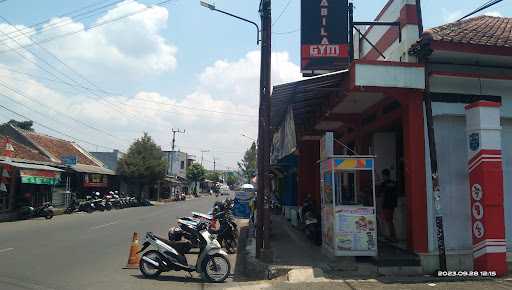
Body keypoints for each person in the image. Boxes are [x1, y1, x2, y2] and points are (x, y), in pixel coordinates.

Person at [379, 169, 398, 242]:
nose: (383, 177)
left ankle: (392, 236)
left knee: (388, 221)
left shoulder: (383, 184)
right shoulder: (394, 183)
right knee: (389, 220)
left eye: (383, 175)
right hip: (392, 205)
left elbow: (380, 194)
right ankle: (391, 236)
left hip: (386, 204)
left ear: (384, 175)